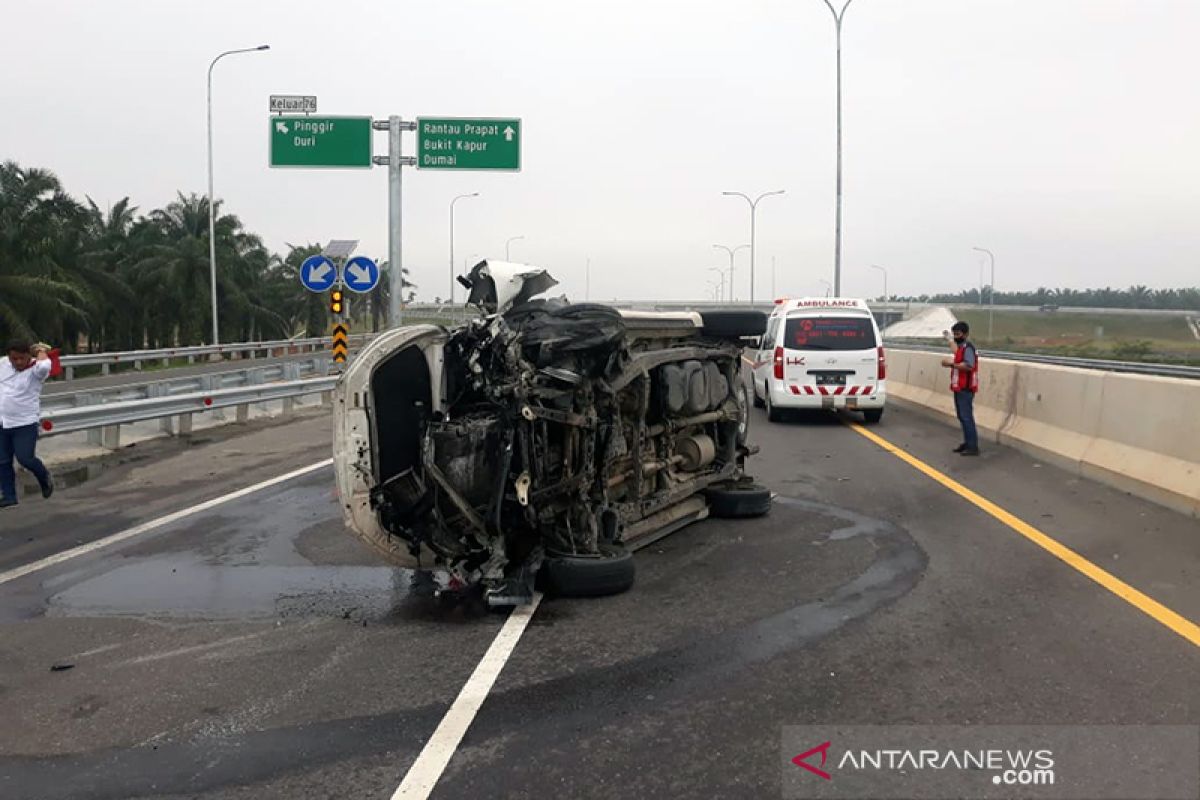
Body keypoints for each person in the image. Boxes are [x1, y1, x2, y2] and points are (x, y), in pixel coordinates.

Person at [0, 340, 54, 508]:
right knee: (2, 461)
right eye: (13, 359)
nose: (17, 362)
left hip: (25, 423)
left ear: (28, 356)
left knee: (25, 458)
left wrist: (41, 351)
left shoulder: (36, 369)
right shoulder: (3, 365)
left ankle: (44, 477)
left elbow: (45, 366)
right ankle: (9, 496)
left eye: (21, 358)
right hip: (3, 422)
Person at [941, 322, 980, 456]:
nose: (956, 337)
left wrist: (950, 364)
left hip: (966, 388)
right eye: (955, 334)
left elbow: (968, 365)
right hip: (960, 387)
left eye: (958, 334)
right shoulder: (962, 347)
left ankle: (972, 446)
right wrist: (949, 340)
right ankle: (968, 442)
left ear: (965, 334)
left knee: (966, 416)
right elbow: (956, 352)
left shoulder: (968, 348)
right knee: (962, 416)